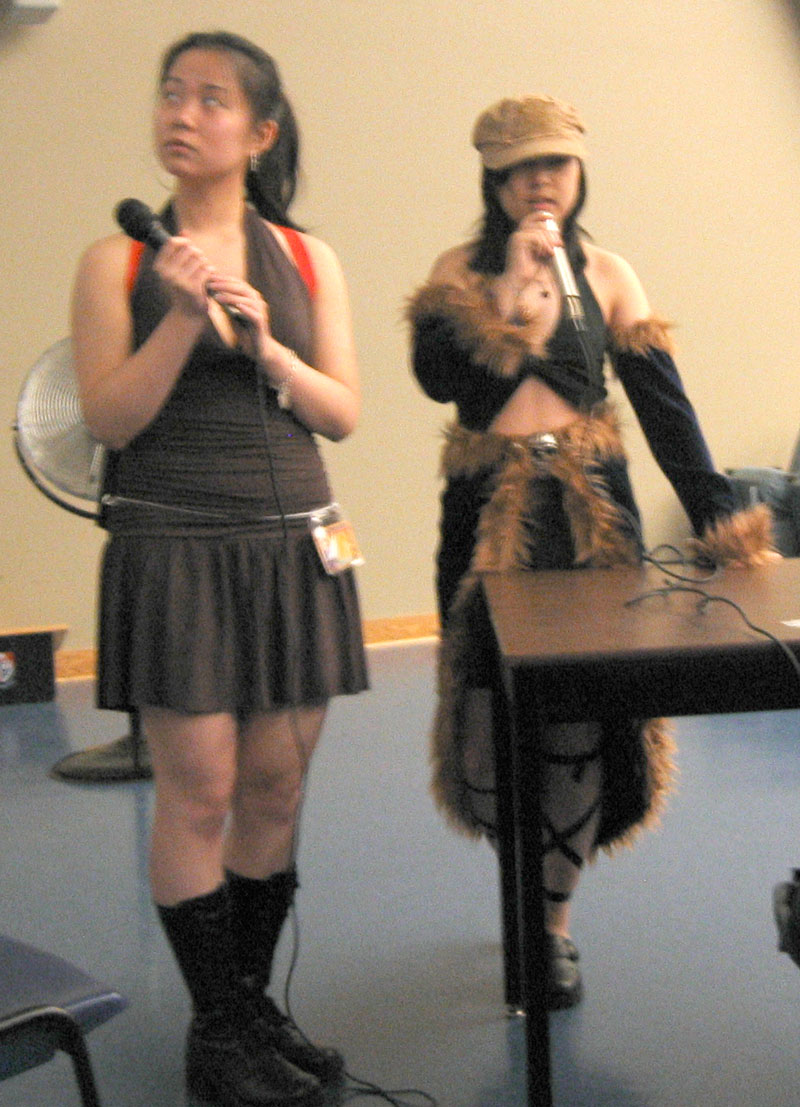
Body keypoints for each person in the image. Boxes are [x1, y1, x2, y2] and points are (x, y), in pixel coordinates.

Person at [407, 95, 775, 1010]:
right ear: (493, 181)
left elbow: (666, 411)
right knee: (490, 718)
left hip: (591, 516)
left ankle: (552, 926)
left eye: (557, 164)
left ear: (578, 172)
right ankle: (517, 897)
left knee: (577, 721)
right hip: (487, 514)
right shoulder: (457, 273)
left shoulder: (609, 275)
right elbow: (437, 380)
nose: (541, 181)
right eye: (520, 168)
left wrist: (723, 522)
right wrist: (511, 295)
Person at [72, 30, 367, 1107]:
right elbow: (108, 418)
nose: (181, 113)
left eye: (210, 99)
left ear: (260, 132)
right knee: (198, 793)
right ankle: (218, 1033)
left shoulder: (305, 259)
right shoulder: (116, 263)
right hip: (176, 549)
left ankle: (247, 1008)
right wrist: (182, 321)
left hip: (295, 543)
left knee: (276, 786)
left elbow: (341, 410)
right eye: (171, 94)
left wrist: (268, 347)